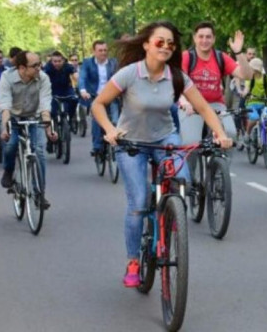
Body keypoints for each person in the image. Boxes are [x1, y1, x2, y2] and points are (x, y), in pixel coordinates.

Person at [90, 21, 233, 288]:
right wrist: (110, 129)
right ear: (146, 45)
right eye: (159, 42)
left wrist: (220, 134)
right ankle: (133, 260)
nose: (166, 47)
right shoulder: (129, 74)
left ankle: (170, 221)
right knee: (139, 202)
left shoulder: (177, 76)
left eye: (170, 43)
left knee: (182, 179)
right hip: (130, 141)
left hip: (165, 138)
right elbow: (98, 104)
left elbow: (203, 107)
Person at [0, 51, 58, 209]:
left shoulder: (43, 78)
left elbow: (45, 104)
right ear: (22, 68)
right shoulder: (7, 77)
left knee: (39, 151)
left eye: (40, 64)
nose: (39, 68)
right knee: (11, 144)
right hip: (11, 116)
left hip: (33, 116)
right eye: (35, 65)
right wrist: (5, 127)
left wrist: (48, 128)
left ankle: (40, 194)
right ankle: (8, 171)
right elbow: (4, 105)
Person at [178, 21, 253, 146]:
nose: (204, 40)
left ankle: (216, 164)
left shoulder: (220, 57)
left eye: (208, 37)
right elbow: (179, 83)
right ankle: (190, 164)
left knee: (230, 134)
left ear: (214, 39)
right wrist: (184, 102)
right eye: (201, 36)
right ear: (194, 38)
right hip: (191, 105)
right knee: (190, 143)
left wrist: (238, 53)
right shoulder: (186, 57)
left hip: (216, 105)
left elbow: (247, 75)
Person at [79, 40, 119, 156]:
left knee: (116, 120)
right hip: (95, 97)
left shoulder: (113, 63)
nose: (103, 53)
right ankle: (97, 146)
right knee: (97, 120)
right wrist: (83, 90)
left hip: (111, 96)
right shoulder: (88, 63)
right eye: (100, 50)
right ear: (94, 52)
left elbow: (120, 77)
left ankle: (117, 144)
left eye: (105, 50)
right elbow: (82, 77)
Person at [44, 51, 79, 129]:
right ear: (51, 61)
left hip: (66, 89)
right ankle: (54, 125)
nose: (57, 63)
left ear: (63, 60)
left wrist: (80, 84)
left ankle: (70, 117)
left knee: (75, 99)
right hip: (53, 90)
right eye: (55, 61)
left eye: (59, 61)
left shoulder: (67, 66)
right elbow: (44, 78)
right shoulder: (48, 67)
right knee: (52, 111)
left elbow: (76, 76)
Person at [242, 58, 267, 138]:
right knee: (254, 117)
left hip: (264, 104)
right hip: (251, 103)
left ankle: (264, 139)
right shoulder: (250, 78)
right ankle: (248, 133)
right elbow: (246, 89)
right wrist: (245, 93)